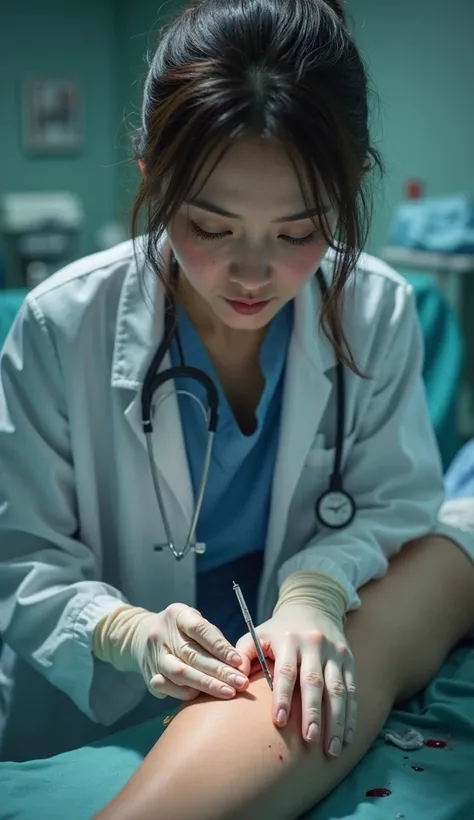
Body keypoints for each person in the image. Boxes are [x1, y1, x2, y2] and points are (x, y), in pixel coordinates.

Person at [0, 0, 473, 797]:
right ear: (153, 176)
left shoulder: (380, 309)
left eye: (298, 233)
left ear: (352, 186)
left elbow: (396, 505)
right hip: (93, 715)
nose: (253, 275)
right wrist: (119, 631)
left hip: (274, 697)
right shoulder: (61, 325)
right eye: (209, 227)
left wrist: (317, 589)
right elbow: (18, 556)